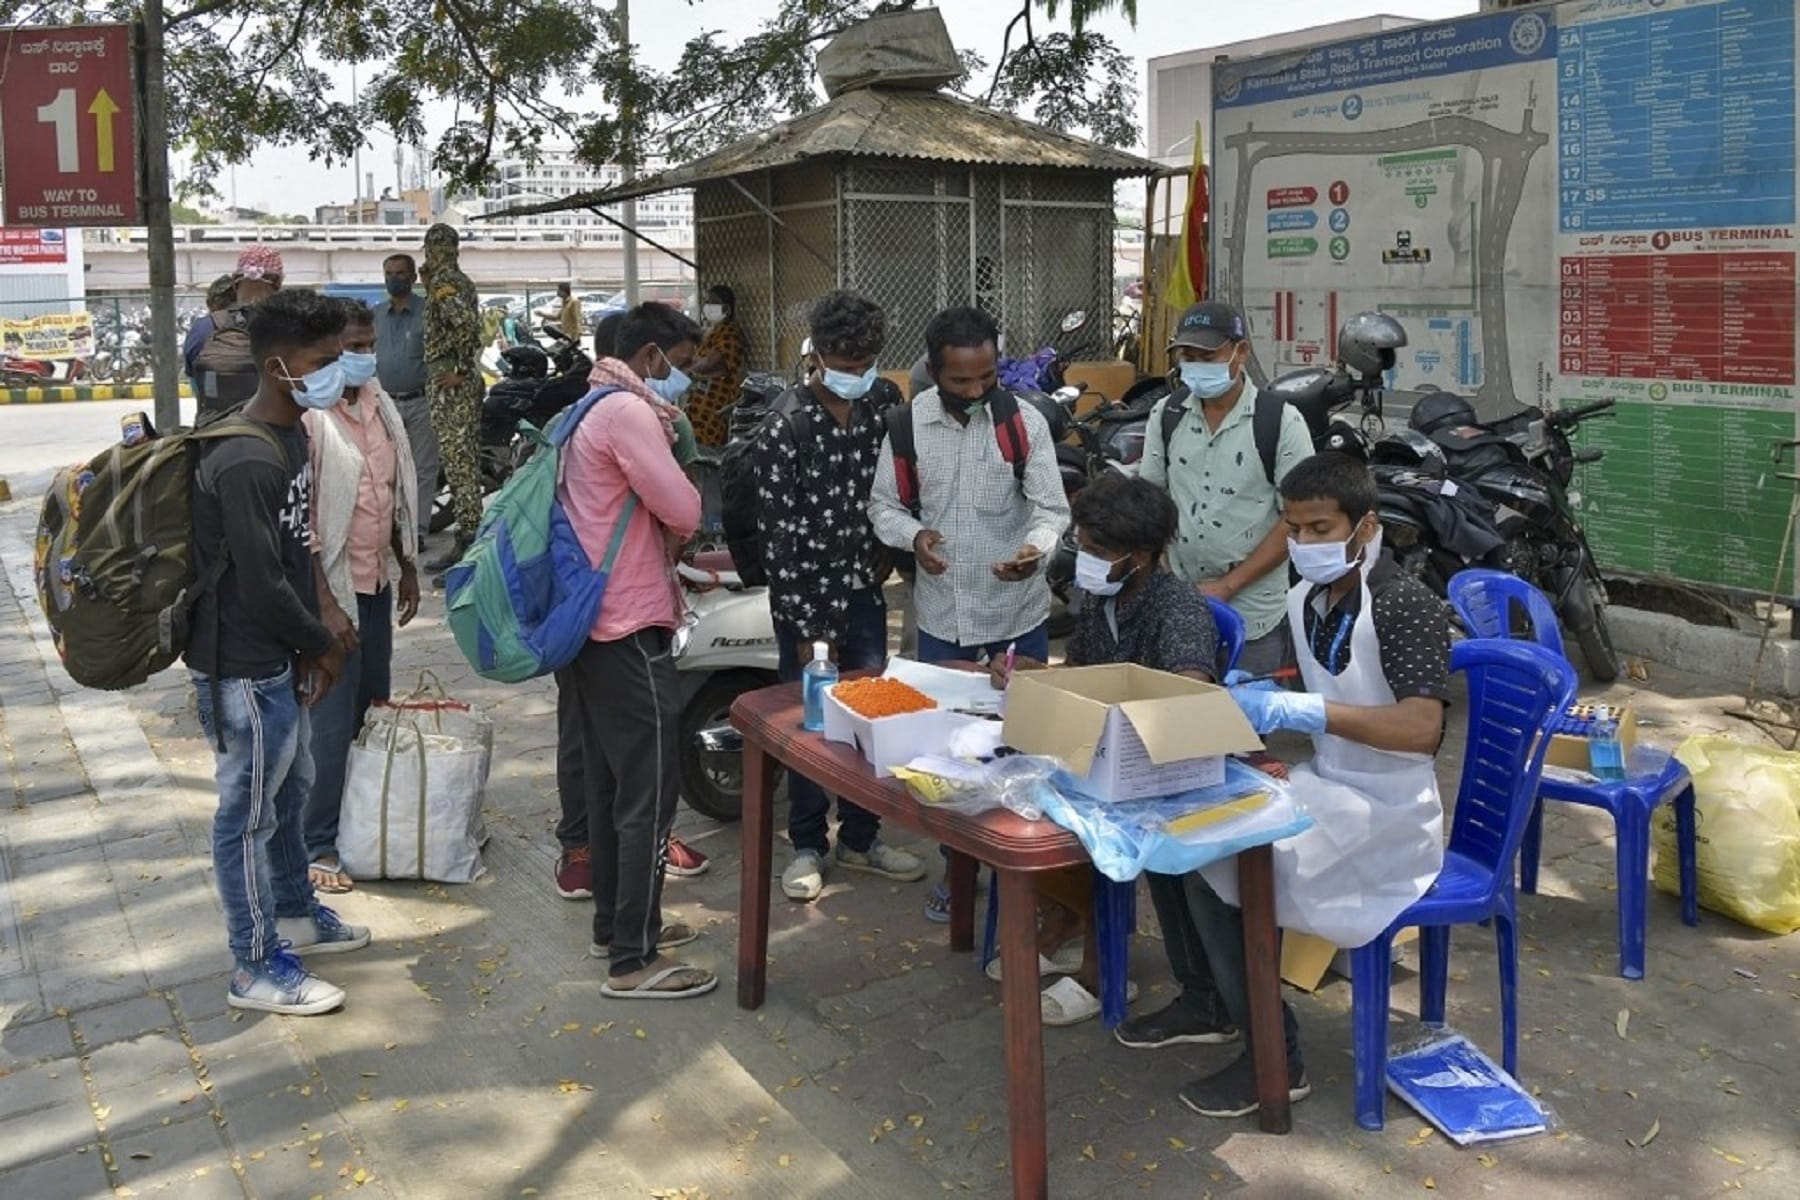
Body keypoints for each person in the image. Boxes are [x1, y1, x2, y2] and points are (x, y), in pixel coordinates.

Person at [1120, 452, 1451, 1120]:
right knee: (1183, 840)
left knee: (1225, 864)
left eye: (1321, 529)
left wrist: (1311, 714)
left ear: (1365, 527)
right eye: (1294, 530)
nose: (1304, 544)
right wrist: (1270, 692)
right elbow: (1321, 677)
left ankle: (1277, 1056)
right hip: (1329, 786)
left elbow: (1422, 729)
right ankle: (1209, 1002)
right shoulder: (1307, 597)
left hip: (1389, 815)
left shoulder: (1404, 604)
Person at [185, 287, 370, 1016]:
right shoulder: (245, 459)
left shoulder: (291, 435)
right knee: (246, 815)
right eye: (323, 361)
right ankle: (253, 965)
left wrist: (314, 637)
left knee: (291, 794)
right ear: (276, 365)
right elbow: (262, 586)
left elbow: (297, 551)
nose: (339, 372)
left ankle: (294, 913)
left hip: (278, 659)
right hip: (241, 669)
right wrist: (321, 645)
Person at [989, 472, 1222, 1025]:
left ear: (1140, 556)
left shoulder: (1178, 611)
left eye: (1097, 551)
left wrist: (1108, 717)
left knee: (1079, 821)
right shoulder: (1100, 598)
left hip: (1159, 767)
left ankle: (1102, 967)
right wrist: (1030, 680)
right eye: (1081, 546)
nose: (1083, 561)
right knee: (1008, 795)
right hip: (1100, 749)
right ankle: (1070, 916)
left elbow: (1189, 699)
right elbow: (1083, 675)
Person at [868, 304, 1069, 922]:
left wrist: (1035, 550)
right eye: (961, 381)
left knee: (1023, 750)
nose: (976, 391)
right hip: (941, 617)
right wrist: (915, 537)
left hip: (1017, 610)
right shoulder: (904, 427)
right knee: (946, 756)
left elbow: (1051, 510)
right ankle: (958, 870)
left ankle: (1027, 876)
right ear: (933, 371)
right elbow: (883, 508)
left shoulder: (1023, 422)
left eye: (987, 378)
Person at [555, 302, 716, 1000]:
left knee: (610, 784)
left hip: (590, 626)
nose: (681, 379)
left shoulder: (585, 408)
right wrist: (673, 432)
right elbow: (684, 509)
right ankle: (634, 959)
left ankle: (615, 927)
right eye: (679, 366)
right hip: (627, 621)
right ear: (652, 355)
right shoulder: (625, 412)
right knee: (648, 789)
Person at [755, 290, 925, 903]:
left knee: (869, 715)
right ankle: (806, 843)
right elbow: (776, 540)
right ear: (818, 355)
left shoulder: (883, 403)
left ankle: (861, 837)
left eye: (866, 361)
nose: (857, 374)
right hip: (807, 601)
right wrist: (803, 629)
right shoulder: (786, 425)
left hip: (864, 592)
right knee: (811, 724)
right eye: (845, 363)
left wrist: (892, 551)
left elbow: (902, 489)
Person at [300, 300, 422, 895]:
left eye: (368, 345)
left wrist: (409, 564)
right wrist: (325, 607)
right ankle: (317, 842)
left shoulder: (381, 404)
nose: (362, 356)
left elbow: (392, 492)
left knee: (374, 708)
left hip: (376, 582)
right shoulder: (311, 418)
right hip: (333, 591)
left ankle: (363, 820)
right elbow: (304, 524)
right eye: (351, 346)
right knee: (330, 716)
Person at [1139, 300, 1313, 677]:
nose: (1197, 364)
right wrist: (1168, 580)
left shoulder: (1280, 421)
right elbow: (1150, 504)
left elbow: (1299, 518)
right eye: (1188, 355)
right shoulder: (1166, 414)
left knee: (1243, 723)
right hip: (1179, 602)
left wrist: (1228, 585)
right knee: (1177, 716)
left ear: (1241, 351)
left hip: (1254, 611)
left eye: (1208, 354)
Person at [420, 224, 484, 582]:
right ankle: (464, 541)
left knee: (460, 467)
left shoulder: (445, 284)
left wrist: (459, 369)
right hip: (452, 382)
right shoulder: (457, 281)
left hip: (451, 385)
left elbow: (467, 325)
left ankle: (471, 549)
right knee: (461, 466)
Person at [376, 254, 437, 545]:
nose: (393, 278)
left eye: (400, 273)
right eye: (388, 273)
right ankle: (388, 530)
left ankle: (418, 531)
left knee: (423, 468)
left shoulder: (429, 313)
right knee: (385, 468)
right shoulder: (375, 316)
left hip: (421, 402)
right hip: (384, 404)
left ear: (413, 278)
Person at [192, 246, 285, 416]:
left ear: (235, 283)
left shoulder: (204, 327)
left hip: (213, 430)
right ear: (278, 284)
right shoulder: (290, 327)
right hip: (273, 433)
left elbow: (196, 382)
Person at [685, 285, 747, 447]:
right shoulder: (712, 332)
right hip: (699, 398)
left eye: (712, 302)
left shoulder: (729, 332)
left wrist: (693, 365)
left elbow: (706, 364)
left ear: (726, 307)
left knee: (709, 444)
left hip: (716, 398)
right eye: (706, 301)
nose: (707, 305)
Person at [183, 274, 237, 396]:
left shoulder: (200, 328)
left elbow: (191, 372)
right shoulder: (256, 321)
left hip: (211, 404)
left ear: (210, 303)